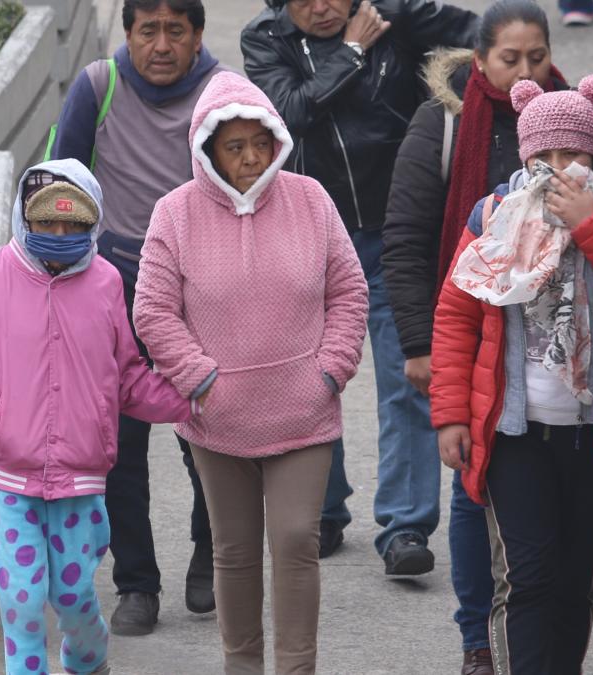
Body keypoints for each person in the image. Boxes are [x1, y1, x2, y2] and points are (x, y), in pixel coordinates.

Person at [430, 75, 593, 675]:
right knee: (527, 578)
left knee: (572, 580)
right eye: (544, 156)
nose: (557, 169)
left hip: (592, 435)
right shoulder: (493, 215)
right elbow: (456, 314)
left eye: (572, 155)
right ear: (525, 157)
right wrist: (450, 416)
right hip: (515, 433)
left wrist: (591, 225)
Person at [133, 72, 369, 675]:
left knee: (296, 541)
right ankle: (242, 665)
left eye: (259, 143)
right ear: (208, 150)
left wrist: (330, 371)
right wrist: (201, 379)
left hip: (304, 411)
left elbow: (348, 290)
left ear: (276, 141)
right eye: (233, 147)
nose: (250, 157)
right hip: (217, 418)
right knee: (234, 552)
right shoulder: (175, 214)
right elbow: (153, 311)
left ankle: (296, 669)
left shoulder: (311, 200)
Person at [241, 0, 479, 573]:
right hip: (311, 234)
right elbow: (289, 113)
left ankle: (405, 527)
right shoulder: (264, 39)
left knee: (408, 374)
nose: (323, 7)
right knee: (311, 373)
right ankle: (322, 509)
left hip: (396, 230)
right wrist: (351, 51)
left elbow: (482, 33)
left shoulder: (394, 14)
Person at [0, 159, 194, 675]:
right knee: (21, 600)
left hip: (81, 479)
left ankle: (88, 661)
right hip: (13, 477)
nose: (60, 235)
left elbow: (125, 374)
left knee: (75, 594)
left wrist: (189, 399)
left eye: (74, 225)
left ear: (93, 223)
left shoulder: (104, 283)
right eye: (46, 223)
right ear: (23, 217)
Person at [381, 2, 566, 671]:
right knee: (471, 488)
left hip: (556, 349)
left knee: (554, 498)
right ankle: (477, 640)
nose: (525, 72)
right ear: (480, 60)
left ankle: (544, 631)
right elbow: (403, 240)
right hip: (474, 341)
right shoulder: (445, 125)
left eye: (536, 57)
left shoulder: (571, 124)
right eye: (509, 59)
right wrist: (419, 343)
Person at [49, 0, 227, 632]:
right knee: (120, 449)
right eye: (146, 30)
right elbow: (54, 188)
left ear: (197, 35)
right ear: (127, 33)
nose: (160, 44)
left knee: (206, 435)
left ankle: (210, 559)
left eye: (175, 31)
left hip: (196, 299)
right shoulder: (98, 87)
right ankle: (137, 585)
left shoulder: (221, 94)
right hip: (114, 297)